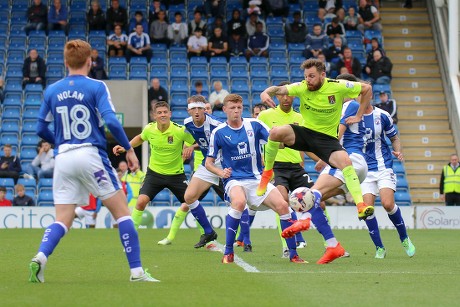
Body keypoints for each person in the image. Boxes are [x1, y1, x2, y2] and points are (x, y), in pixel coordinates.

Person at [29, 39, 158, 283]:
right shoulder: (96, 87)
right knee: (122, 213)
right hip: (90, 153)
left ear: (66, 62)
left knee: (63, 217)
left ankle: (41, 257)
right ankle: (137, 273)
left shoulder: (52, 90)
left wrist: (60, 141)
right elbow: (110, 120)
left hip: (64, 157)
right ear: (90, 61)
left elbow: (40, 127)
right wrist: (129, 149)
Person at [256, 58, 375, 224]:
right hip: (305, 133)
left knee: (346, 163)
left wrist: (359, 115)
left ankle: (360, 205)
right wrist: (266, 92)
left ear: (323, 75)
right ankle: (267, 173)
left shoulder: (337, 86)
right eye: (306, 76)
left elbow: (367, 89)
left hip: (327, 140)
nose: (308, 80)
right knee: (275, 133)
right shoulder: (302, 87)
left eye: (312, 76)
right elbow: (279, 88)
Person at [205, 94, 306, 263]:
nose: (236, 111)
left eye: (239, 107)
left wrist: (291, 138)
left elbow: (275, 141)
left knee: (283, 205)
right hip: (234, 180)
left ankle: (293, 254)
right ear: (224, 110)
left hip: (257, 178)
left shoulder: (255, 124)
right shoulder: (219, 133)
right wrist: (221, 173)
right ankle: (228, 252)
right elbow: (209, 163)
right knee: (238, 203)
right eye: (232, 108)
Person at [113, 101, 217, 249]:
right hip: (154, 174)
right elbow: (140, 138)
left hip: (176, 175)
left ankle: (209, 239)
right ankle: (130, 241)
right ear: (154, 115)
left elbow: (199, 142)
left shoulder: (180, 131)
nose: (162, 115)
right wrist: (125, 147)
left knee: (191, 202)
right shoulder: (150, 129)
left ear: (170, 114)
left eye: (165, 112)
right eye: (159, 112)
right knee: (141, 202)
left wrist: (190, 148)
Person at [157, 96, 224, 246]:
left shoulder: (217, 125)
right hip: (205, 166)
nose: (198, 111)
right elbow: (190, 140)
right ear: (188, 111)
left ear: (207, 110)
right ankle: (206, 232)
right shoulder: (188, 124)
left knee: (237, 202)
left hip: (223, 165)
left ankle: (243, 240)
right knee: (188, 198)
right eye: (194, 108)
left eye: (202, 108)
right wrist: (188, 147)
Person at [257, 82, 310, 257]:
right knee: (283, 202)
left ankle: (330, 244)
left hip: (296, 166)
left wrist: (304, 161)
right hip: (276, 167)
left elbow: (304, 144)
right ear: (277, 96)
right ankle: (287, 246)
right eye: (281, 95)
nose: (286, 98)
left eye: (288, 95)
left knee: (318, 202)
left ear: (294, 95)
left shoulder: (301, 117)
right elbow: (256, 139)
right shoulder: (265, 115)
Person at [361, 94, 416, 258]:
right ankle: (379, 247)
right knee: (367, 209)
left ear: (369, 96)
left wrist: (398, 151)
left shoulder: (382, 115)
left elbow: (394, 138)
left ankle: (404, 238)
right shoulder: (350, 119)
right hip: (364, 171)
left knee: (387, 204)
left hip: (383, 166)